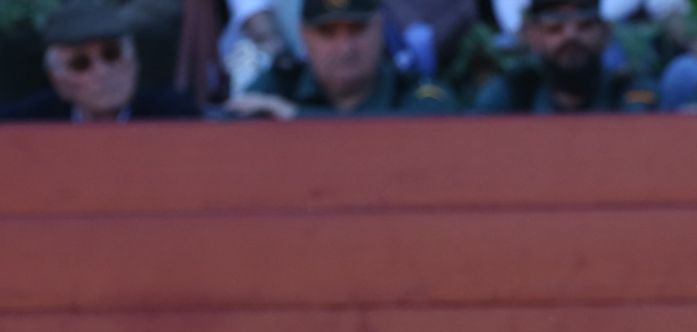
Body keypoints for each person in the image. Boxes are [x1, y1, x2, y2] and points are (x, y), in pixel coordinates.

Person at [229, 0, 457, 115]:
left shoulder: (410, 88)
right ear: (304, 34)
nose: (345, 47)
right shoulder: (282, 84)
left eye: (357, 29)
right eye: (328, 32)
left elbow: (438, 118)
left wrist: (296, 120)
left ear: (379, 28)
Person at [0, 0, 199, 119]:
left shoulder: (177, 116)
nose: (102, 71)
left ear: (134, 62)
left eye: (112, 55)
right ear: (57, 79)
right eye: (80, 63)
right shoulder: (26, 124)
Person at [472, 0, 658, 111]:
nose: (571, 36)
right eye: (555, 28)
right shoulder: (513, 95)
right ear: (535, 37)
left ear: (605, 33)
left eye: (584, 25)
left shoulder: (626, 92)